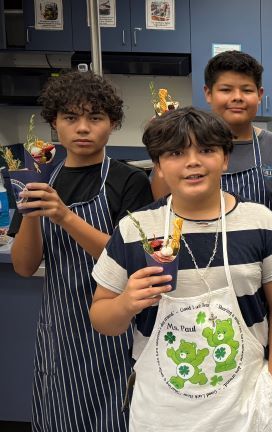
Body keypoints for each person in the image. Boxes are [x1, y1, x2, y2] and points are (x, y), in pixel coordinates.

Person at [89, 108, 272, 430]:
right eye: (176, 153)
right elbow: (102, 318)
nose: (193, 161)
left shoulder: (261, 223)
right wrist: (125, 303)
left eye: (206, 150)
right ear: (158, 165)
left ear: (225, 159)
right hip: (161, 412)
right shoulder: (136, 229)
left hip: (245, 409)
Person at [10, 71, 153, 431]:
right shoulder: (41, 182)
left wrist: (64, 216)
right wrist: (31, 211)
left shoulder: (129, 181)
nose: (83, 128)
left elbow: (130, 261)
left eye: (95, 117)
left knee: (116, 417)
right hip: (61, 331)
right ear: (55, 124)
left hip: (116, 327)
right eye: (71, 118)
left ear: (113, 123)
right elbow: (25, 267)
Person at [150, 50, 272, 213]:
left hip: (268, 238)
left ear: (260, 95)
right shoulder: (186, 147)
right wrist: (164, 145)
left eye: (247, 90)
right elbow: (162, 206)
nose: (237, 97)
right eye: (226, 90)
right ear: (208, 93)